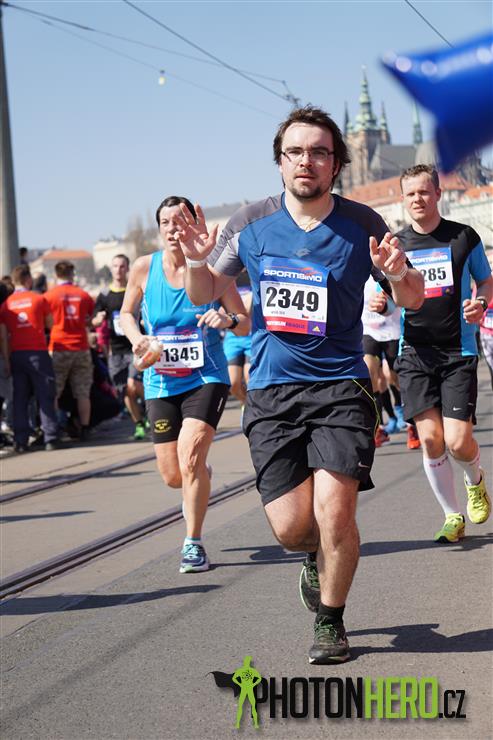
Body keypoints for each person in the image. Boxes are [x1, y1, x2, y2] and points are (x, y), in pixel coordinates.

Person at [177, 106, 424, 663]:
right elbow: (203, 291)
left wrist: (398, 273)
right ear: (280, 161)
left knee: (336, 513)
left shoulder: (364, 224)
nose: (305, 161)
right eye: (295, 152)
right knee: (292, 529)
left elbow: (412, 299)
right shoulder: (250, 222)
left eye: (318, 152)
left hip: (341, 387)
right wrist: (195, 261)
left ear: (336, 163)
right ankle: (313, 557)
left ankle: (331, 622)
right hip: (272, 390)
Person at [120, 196, 250, 574]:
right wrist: (137, 339)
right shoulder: (144, 268)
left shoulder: (212, 269)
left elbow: (244, 322)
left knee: (190, 455)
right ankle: (198, 477)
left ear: (193, 225)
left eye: (180, 222)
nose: (173, 230)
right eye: (166, 223)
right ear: (159, 229)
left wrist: (226, 321)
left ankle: (193, 543)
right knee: (173, 475)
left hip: (205, 376)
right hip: (160, 380)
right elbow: (126, 313)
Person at [395, 164, 493, 543]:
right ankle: (452, 516)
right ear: (403, 200)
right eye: (410, 194)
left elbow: (486, 281)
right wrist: (379, 301)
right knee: (431, 439)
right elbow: (387, 291)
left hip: (458, 350)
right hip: (414, 352)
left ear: (438, 193)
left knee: (457, 441)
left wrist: (480, 303)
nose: (417, 199)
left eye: (424, 191)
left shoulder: (463, 237)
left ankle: (475, 480)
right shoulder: (396, 245)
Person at [0, 265, 59, 452]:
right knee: (45, 395)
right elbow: (50, 324)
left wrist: (7, 360)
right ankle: (50, 437)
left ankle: (20, 441)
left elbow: (3, 336)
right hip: (38, 353)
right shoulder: (38, 299)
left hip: (17, 355)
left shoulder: (6, 305)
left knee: (20, 399)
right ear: (28, 280)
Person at [92, 254, 146, 440]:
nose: (118, 270)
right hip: (115, 350)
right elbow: (94, 319)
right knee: (124, 391)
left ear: (127, 268)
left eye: (122, 266)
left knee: (133, 384)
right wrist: (97, 319)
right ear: (111, 269)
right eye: (115, 266)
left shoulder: (135, 289)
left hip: (135, 346)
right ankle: (139, 424)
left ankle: (152, 408)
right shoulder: (105, 294)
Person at [44, 261, 95, 441]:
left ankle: (55, 428)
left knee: (54, 391)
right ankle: (85, 428)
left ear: (56, 274)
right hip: (81, 346)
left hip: (58, 346)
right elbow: (90, 318)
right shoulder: (83, 295)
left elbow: (45, 322)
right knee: (82, 392)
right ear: (72, 273)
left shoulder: (49, 296)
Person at [222, 285, 252, 406]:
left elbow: (246, 311)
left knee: (249, 378)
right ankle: (246, 404)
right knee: (232, 383)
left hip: (251, 335)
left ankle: (252, 408)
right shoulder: (225, 281)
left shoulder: (252, 279)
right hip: (232, 338)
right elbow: (222, 310)